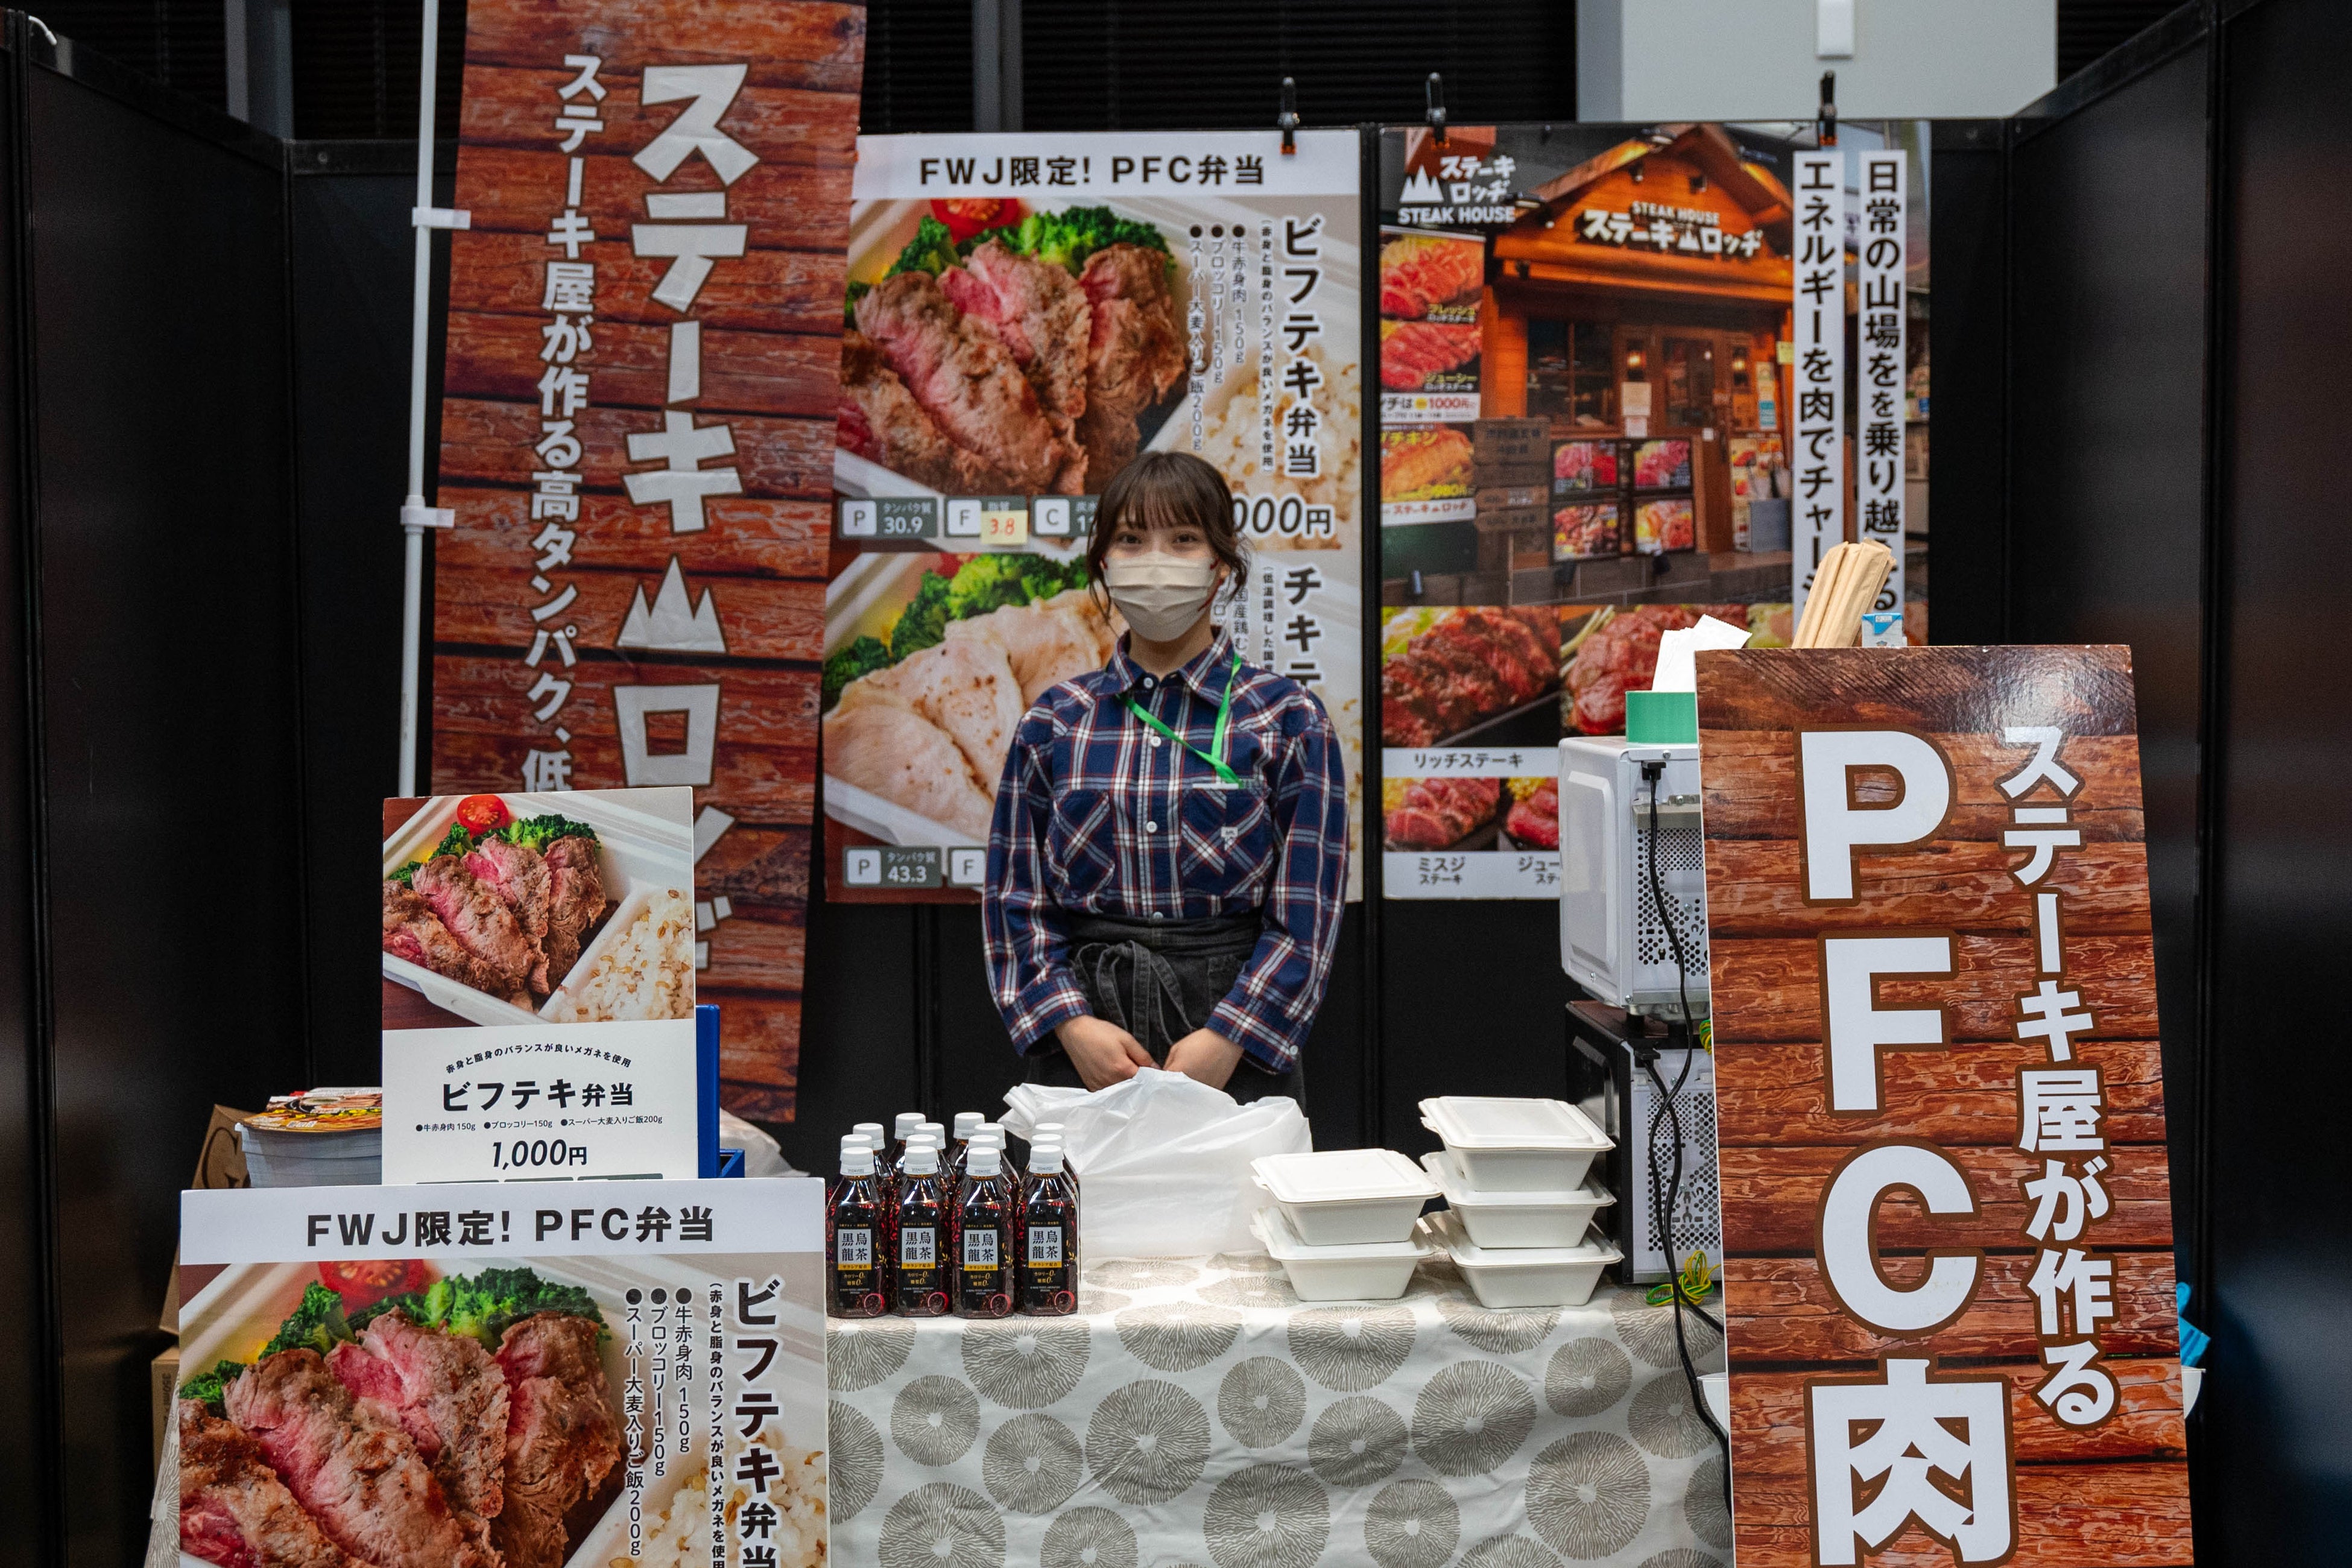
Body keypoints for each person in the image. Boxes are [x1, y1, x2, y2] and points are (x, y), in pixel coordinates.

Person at [981, 452, 1347, 1103]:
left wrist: (1233, 1034)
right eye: (1131, 539)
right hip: (1087, 1041)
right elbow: (1016, 897)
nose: (1155, 560)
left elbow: (1307, 910)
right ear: (1103, 562)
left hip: (1234, 1038)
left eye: (1183, 539)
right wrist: (1068, 1023)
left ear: (1221, 564)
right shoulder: (1055, 720)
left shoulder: (1289, 718)